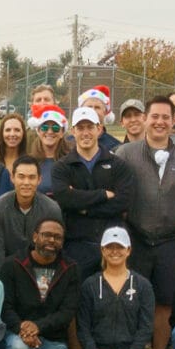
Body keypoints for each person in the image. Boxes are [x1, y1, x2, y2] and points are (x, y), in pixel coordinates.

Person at [111, 99, 175, 349]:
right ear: (145, 118)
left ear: (174, 120)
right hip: (135, 239)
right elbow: (114, 189)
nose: (161, 122)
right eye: (155, 116)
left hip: (171, 240)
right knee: (131, 297)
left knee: (165, 301)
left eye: (166, 117)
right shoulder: (125, 153)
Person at [0, 217, 79, 349]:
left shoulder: (71, 268)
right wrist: (22, 328)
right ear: (35, 237)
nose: (52, 240)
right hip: (20, 336)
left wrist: (38, 327)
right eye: (47, 235)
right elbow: (5, 307)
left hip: (53, 339)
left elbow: (68, 312)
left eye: (57, 237)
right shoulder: (12, 264)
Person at [75, 227, 154, 349]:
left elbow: (146, 327)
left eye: (120, 247)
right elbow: (83, 327)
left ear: (129, 250)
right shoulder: (90, 285)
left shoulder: (142, 285)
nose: (115, 251)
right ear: (102, 250)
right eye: (109, 247)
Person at [52, 107, 133, 274]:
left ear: (99, 129)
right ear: (73, 131)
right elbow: (65, 199)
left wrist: (83, 208)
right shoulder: (62, 167)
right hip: (76, 246)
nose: (85, 133)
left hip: (113, 244)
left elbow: (123, 201)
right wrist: (103, 194)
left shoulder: (118, 164)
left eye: (90, 127)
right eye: (80, 128)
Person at [0, 157, 63, 267]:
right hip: (8, 270)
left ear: (39, 180)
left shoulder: (51, 209)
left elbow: (53, 252)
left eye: (32, 177)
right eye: (21, 177)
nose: (26, 182)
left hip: (39, 270)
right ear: (12, 178)